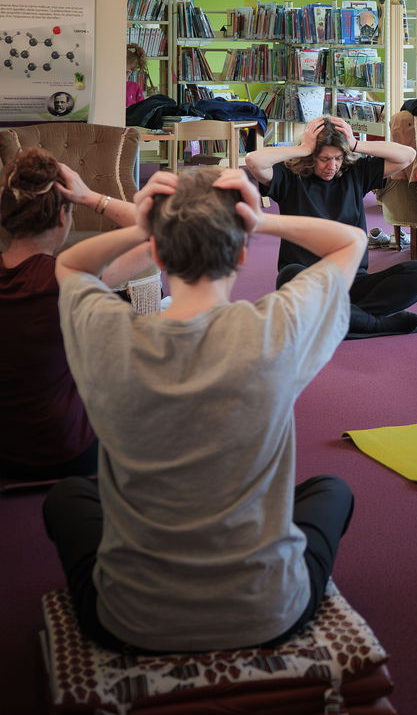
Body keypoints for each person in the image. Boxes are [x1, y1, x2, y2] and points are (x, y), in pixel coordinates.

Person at [43, 167, 365, 653]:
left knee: (67, 498)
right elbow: (351, 243)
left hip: (129, 619)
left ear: (155, 253)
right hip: (269, 612)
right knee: (331, 492)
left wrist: (139, 224)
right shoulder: (276, 329)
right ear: (240, 251)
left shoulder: (109, 332)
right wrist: (261, 219)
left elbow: (68, 267)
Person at [0, 147, 148, 481]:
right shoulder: (71, 280)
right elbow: (162, 230)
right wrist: (93, 198)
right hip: (66, 450)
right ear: (63, 217)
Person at [245, 115, 417, 336]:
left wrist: (355, 144)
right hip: (308, 282)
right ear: (311, 156)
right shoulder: (290, 178)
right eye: (324, 159)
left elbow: (407, 156)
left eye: (338, 158)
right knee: (290, 276)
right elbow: (254, 161)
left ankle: (336, 319)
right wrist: (303, 147)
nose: (332, 166)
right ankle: (370, 324)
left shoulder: (355, 173)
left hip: (352, 281)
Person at [125, 42, 147, 108]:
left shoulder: (135, 87)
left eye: (127, 72)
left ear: (131, 72)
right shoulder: (110, 85)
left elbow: (141, 109)